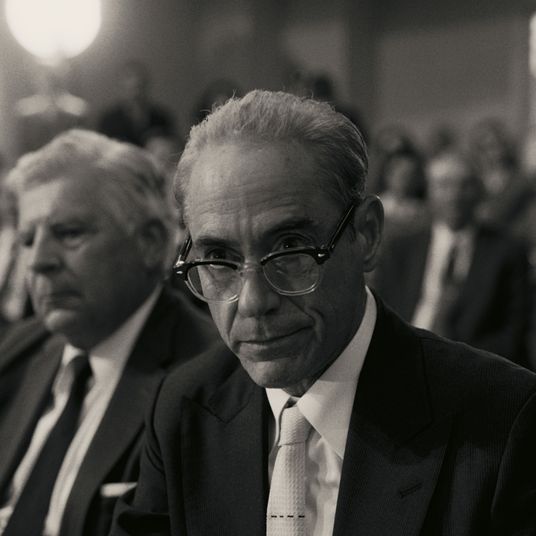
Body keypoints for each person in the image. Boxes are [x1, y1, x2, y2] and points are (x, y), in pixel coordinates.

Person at [112, 91, 536, 535]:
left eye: (290, 248)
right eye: (219, 258)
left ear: (366, 235)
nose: (253, 302)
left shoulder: (501, 423)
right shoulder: (184, 408)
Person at [0, 129, 218, 536]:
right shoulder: (20, 350)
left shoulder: (208, 380)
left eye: (69, 233)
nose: (39, 261)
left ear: (150, 242)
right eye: (28, 239)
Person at [374, 152, 531, 365]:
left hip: (473, 364)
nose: (454, 196)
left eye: (465, 185)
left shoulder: (506, 252)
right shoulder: (401, 249)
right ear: (429, 190)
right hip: (406, 357)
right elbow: (381, 315)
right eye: (444, 185)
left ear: (479, 192)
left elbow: (513, 333)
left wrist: (457, 363)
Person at [98, 60, 176, 147]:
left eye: (139, 88)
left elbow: (173, 146)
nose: (135, 94)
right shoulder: (109, 120)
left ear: (145, 87)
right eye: (130, 89)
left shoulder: (161, 117)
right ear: (122, 88)